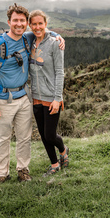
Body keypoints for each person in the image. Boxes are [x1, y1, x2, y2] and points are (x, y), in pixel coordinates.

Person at [0, 4, 64, 184]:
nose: (19, 24)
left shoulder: (27, 38)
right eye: (15, 20)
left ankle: (23, 170)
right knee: (2, 139)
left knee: (24, 138)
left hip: (24, 98)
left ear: (26, 23)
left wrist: (58, 36)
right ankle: (2, 173)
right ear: (8, 22)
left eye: (22, 21)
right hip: (2, 100)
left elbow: (43, 31)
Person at [28, 10, 69, 177]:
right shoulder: (28, 41)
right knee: (43, 136)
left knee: (50, 135)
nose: (37, 27)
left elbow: (60, 72)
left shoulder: (54, 43)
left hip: (51, 97)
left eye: (40, 24)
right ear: (30, 25)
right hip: (36, 97)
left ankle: (63, 150)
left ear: (45, 24)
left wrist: (57, 99)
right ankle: (54, 165)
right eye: (34, 24)